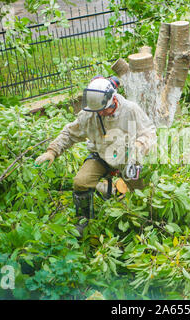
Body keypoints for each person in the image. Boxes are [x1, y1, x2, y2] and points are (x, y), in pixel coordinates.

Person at [35, 75, 157, 235]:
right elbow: (70, 133)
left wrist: (139, 145)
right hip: (100, 155)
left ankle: (148, 220)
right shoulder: (89, 114)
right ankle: (84, 220)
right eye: (97, 111)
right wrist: (52, 151)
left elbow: (149, 132)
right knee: (81, 182)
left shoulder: (130, 110)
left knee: (141, 190)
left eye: (102, 109)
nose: (100, 113)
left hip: (127, 157)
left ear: (113, 99)